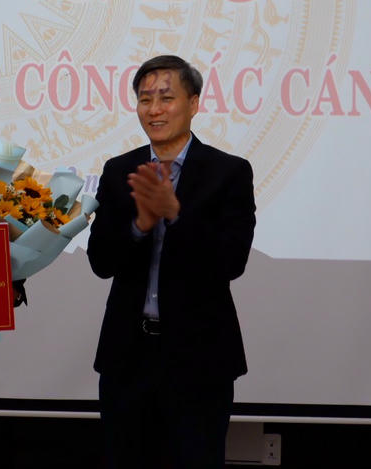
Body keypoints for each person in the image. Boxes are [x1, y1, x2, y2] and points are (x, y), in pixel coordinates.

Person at [87, 54, 256, 468]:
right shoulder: (120, 170)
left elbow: (231, 261)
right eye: (145, 99)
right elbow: (101, 261)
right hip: (128, 357)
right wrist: (140, 226)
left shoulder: (229, 173)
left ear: (193, 103)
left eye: (166, 98)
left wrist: (176, 215)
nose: (154, 109)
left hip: (199, 358)